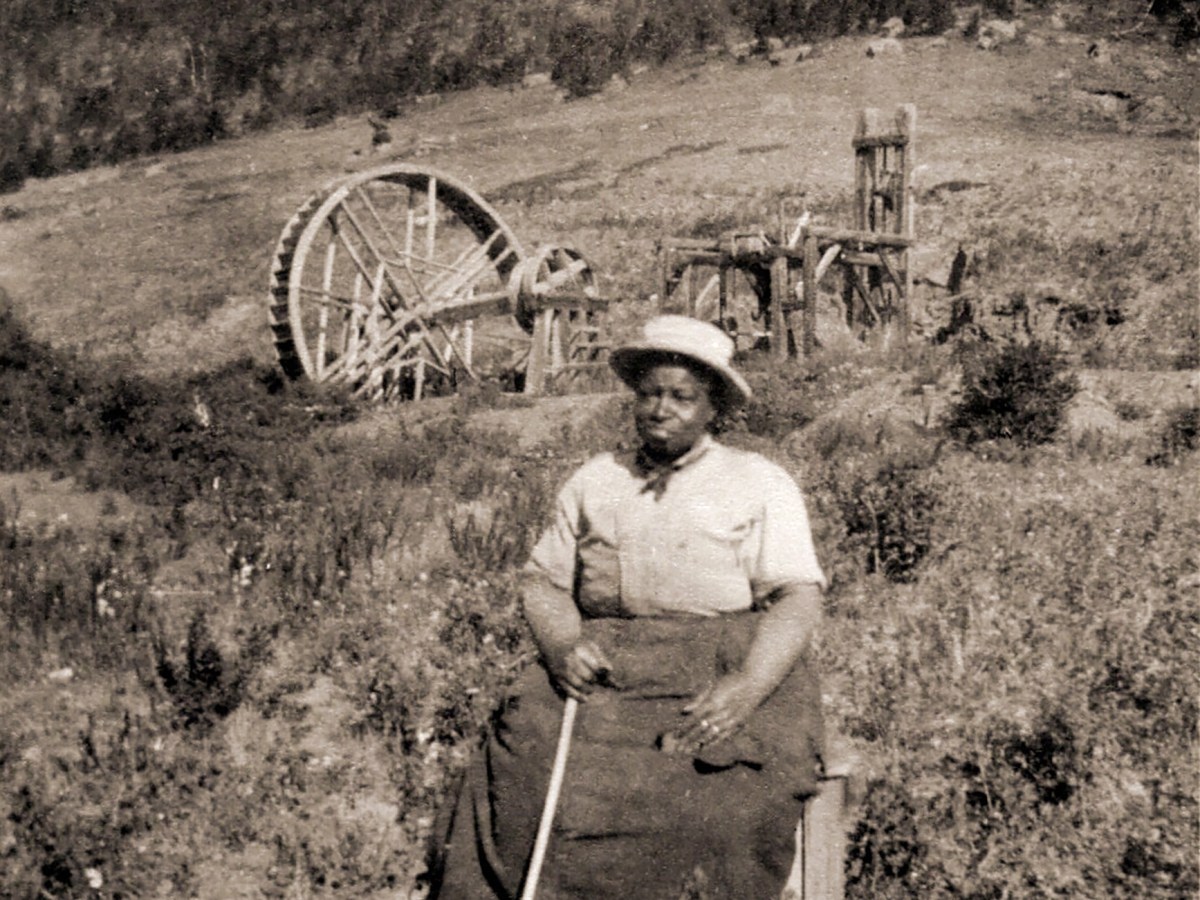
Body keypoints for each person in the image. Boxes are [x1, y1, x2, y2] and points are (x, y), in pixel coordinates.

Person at [429, 315, 828, 899]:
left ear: (713, 408)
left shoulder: (758, 482)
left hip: (720, 659)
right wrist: (563, 645)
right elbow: (543, 582)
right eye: (649, 394)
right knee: (521, 758)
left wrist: (745, 689)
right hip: (605, 665)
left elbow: (797, 597)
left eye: (682, 397)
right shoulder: (596, 479)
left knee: (724, 794)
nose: (661, 409)